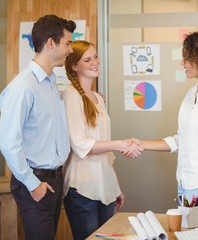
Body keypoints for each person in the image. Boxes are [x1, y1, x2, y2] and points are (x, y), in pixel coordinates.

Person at [130, 31, 198, 215]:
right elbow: (182, 139)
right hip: (185, 183)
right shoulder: (192, 93)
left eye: (187, 58)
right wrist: (143, 144)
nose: (182, 63)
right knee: (187, 232)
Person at [0, 15, 76, 240]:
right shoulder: (23, 87)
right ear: (51, 43)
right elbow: (8, 142)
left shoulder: (51, 83)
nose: (70, 50)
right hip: (34, 180)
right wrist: (33, 184)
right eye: (67, 43)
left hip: (54, 180)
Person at [61, 40, 143, 240]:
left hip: (105, 187)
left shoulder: (98, 99)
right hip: (82, 190)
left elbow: (106, 153)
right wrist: (120, 144)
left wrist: (114, 185)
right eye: (87, 59)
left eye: (95, 56)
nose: (94, 62)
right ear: (74, 66)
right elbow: (80, 145)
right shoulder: (70, 95)